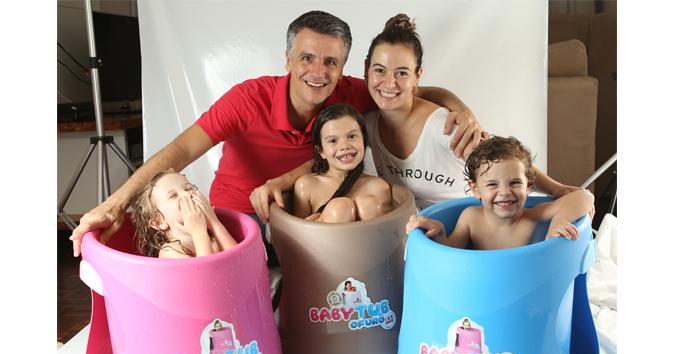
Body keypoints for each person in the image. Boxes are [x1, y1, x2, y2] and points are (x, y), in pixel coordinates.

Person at [71, 10, 484, 257]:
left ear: (343, 68)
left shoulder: (350, 93)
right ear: (287, 59)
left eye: (330, 62)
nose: (318, 72)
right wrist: (114, 204)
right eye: (307, 58)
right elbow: (179, 151)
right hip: (243, 218)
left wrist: (459, 107)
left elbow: (404, 90)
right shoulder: (247, 99)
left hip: (307, 216)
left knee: (356, 232)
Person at [363, 14, 582, 210]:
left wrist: (556, 189)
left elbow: (505, 161)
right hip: (429, 229)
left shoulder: (443, 127)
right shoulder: (368, 125)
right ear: (366, 70)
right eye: (380, 70)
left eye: (402, 73)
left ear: (417, 76)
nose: (389, 83)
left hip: (479, 222)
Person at [406, 136, 595, 250]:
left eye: (515, 183)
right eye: (492, 184)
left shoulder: (533, 217)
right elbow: (452, 254)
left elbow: (585, 197)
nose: (504, 192)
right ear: (475, 189)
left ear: (529, 186)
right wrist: (439, 232)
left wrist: (559, 222)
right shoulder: (470, 218)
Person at [293, 104, 391, 223]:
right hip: (321, 235)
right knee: (340, 208)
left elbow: (392, 229)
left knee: (368, 204)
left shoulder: (378, 187)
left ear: (364, 141)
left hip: (371, 234)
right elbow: (295, 229)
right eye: (333, 140)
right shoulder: (307, 185)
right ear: (321, 151)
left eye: (352, 136)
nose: (344, 146)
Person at [130, 170, 237, 258]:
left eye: (189, 188)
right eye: (173, 196)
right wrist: (198, 233)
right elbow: (205, 274)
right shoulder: (170, 251)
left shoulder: (214, 239)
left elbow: (239, 260)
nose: (186, 194)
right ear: (159, 222)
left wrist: (214, 222)